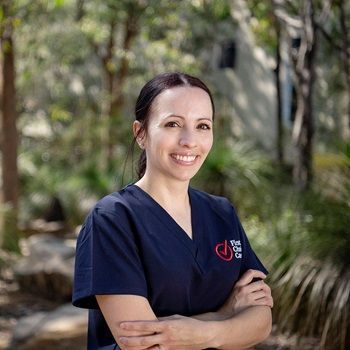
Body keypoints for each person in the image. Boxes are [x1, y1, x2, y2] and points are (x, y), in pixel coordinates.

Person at [72, 72, 273, 350]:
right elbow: (142, 343)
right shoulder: (113, 219)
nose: (190, 141)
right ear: (140, 133)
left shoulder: (221, 213)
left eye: (203, 126)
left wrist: (203, 332)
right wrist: (224, 317)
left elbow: (261, 321)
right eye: (173, 124)